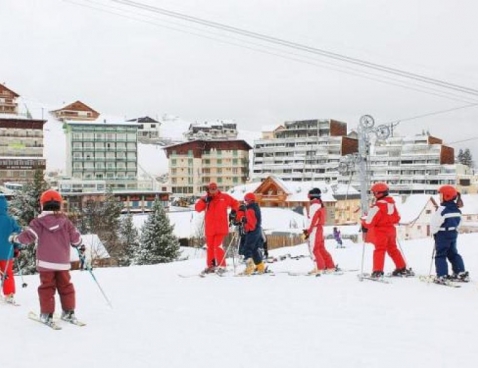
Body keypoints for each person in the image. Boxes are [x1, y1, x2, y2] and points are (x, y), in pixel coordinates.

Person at [10, 189, 83, 325]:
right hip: (62, 263)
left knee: (47, 288)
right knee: (66, 286)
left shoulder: (38, 222)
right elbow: (76, 239)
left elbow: (28, 236)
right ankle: (68, 312)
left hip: (46, 263)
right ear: (59, 204)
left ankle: (47, 314)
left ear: (42, 205)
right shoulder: (66, 222)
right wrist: (80, 245)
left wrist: (15, 239)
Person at [361, 182, 412, 278]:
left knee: (379, 250)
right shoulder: (391, 205)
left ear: (378, 194)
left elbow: (369, 221)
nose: (373, 195)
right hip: (391, 231)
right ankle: (401, 267)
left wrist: (364, 224)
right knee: (393, 249)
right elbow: (397, 218)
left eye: (374, 193)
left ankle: (377, 271)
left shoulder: (376, 207)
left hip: (380, 232)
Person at [194, 182, 239, 275]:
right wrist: (204, 201)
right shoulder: (206, 199)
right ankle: (211, 265)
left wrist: (234, 212)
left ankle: (222, 265)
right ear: (209, 190)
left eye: (215, 189)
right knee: (210, 247)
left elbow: (236, 203)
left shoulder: (224, 197)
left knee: (217, 246)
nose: (213, 191)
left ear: (217, 189)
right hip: (210, 228)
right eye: (211, 189)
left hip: (221, 228)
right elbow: (197, 208)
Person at [430, 185, 469, 284]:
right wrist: (455, 229)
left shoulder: (442, 210)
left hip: (442, 234)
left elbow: (435, 224)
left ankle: (442, 275)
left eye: (441, 195)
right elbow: (460, 222)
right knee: (453, 253)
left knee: (440, 255)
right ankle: (460, 272)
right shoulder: (457, 209)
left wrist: (434, 233)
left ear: (446, 196)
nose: (439, 197)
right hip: (453, 234)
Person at [303, 188, 336, 275]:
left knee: (314, 249)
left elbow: (311, 221)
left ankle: (319, 267)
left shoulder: (314, 206)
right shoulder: (320, 205)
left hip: (314, 230)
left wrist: (306, 233)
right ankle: (330, 266)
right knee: (321, 248)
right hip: (319, 229)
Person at [237, 193, 267, 275]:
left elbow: (252, 223)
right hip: (257, 230)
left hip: (252, 231)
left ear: (249, 200)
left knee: (247, 249)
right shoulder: (255, 207)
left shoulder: (250, 209)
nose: (245, 202)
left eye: (245, 200)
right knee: (254, 250)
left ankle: (249, 268)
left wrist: (245, 222)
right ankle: (261, 267)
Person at [0, 195, 22, 304]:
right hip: (6, 253)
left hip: (6, 253)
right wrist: (17, 248)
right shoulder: (10, 220)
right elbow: (18, 235)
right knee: (7, 274)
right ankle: (9, 294)